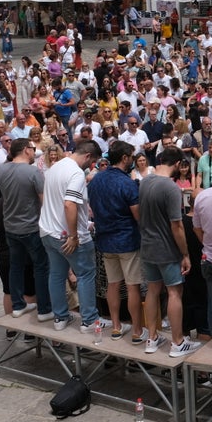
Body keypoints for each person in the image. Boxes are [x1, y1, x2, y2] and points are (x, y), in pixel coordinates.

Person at [138, 146, 201, 357]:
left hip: (147, 246)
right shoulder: (171, 188)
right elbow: (177, 226)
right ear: (176, 164)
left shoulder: (145, 181)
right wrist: (185, 254)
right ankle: (177, 341)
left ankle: (152, 338)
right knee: (174, 293)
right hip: (166, 249)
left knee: (153, 292)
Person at [39, 140, 101, 332]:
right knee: (85, 274)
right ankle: (89, 320)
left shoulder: (55, 167)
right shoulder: (75, 173)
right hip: (67, 234)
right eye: (92, 162)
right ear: (88, 156)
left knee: (56, 274)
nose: (90, 167)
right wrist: (74, 236)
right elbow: (69, 204)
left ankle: (60, 317)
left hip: (48, 231)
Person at [87, 140, 144, 343]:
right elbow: (138, 215)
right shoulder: (127, 183)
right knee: (132, 286)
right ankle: (137, 330)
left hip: (105, 239)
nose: (132, 160)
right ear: (124, 158)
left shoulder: (95, 181)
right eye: (130, 157)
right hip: (126, 239)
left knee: (112, 284)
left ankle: (116, 326)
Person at [0, 138, 52, 322]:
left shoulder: (1, 169)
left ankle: (18, 305)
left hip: (10, 226)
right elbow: (44, 201)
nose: (34, 152)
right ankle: (44, 309)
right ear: (26, 150)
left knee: (16, 267)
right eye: (32, 148)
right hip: (31, 227)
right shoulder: (32, 171)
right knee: (41, 268)